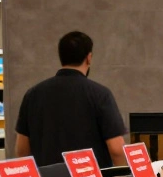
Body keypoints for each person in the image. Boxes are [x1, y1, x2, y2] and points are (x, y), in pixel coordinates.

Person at [15, 31, 127, 168]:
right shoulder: (100, 94)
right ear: (89, 58)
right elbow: (116, 150)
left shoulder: (32, 95)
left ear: (61, 57)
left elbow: (22, 150)